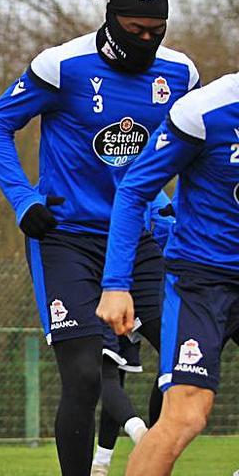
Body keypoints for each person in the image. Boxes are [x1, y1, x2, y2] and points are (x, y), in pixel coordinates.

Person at [0, 0, 199, 473]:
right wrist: (22, 198)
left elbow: (192, 151)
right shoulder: (62, 66)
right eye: (137, 29)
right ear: (113, 19)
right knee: (83, 376)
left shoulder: (181, 74)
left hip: (140, 240)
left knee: (182, 366)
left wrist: (177, 209)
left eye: (157, 31)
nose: (148, 40)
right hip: (66, 239)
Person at [97, 71, 239, 475]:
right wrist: (116, 284)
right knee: (186, 414)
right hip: (203, 280)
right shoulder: (204, 112)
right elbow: (135, 189)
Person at [92, 193, 174, 475]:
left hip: (117, 276)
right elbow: (166, 223)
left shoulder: (133, 177)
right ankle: (102, 463)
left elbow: (165, 220)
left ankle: (147, 438)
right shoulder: (138, 179)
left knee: (108, 371)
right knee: (112, 367)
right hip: (130, 274)